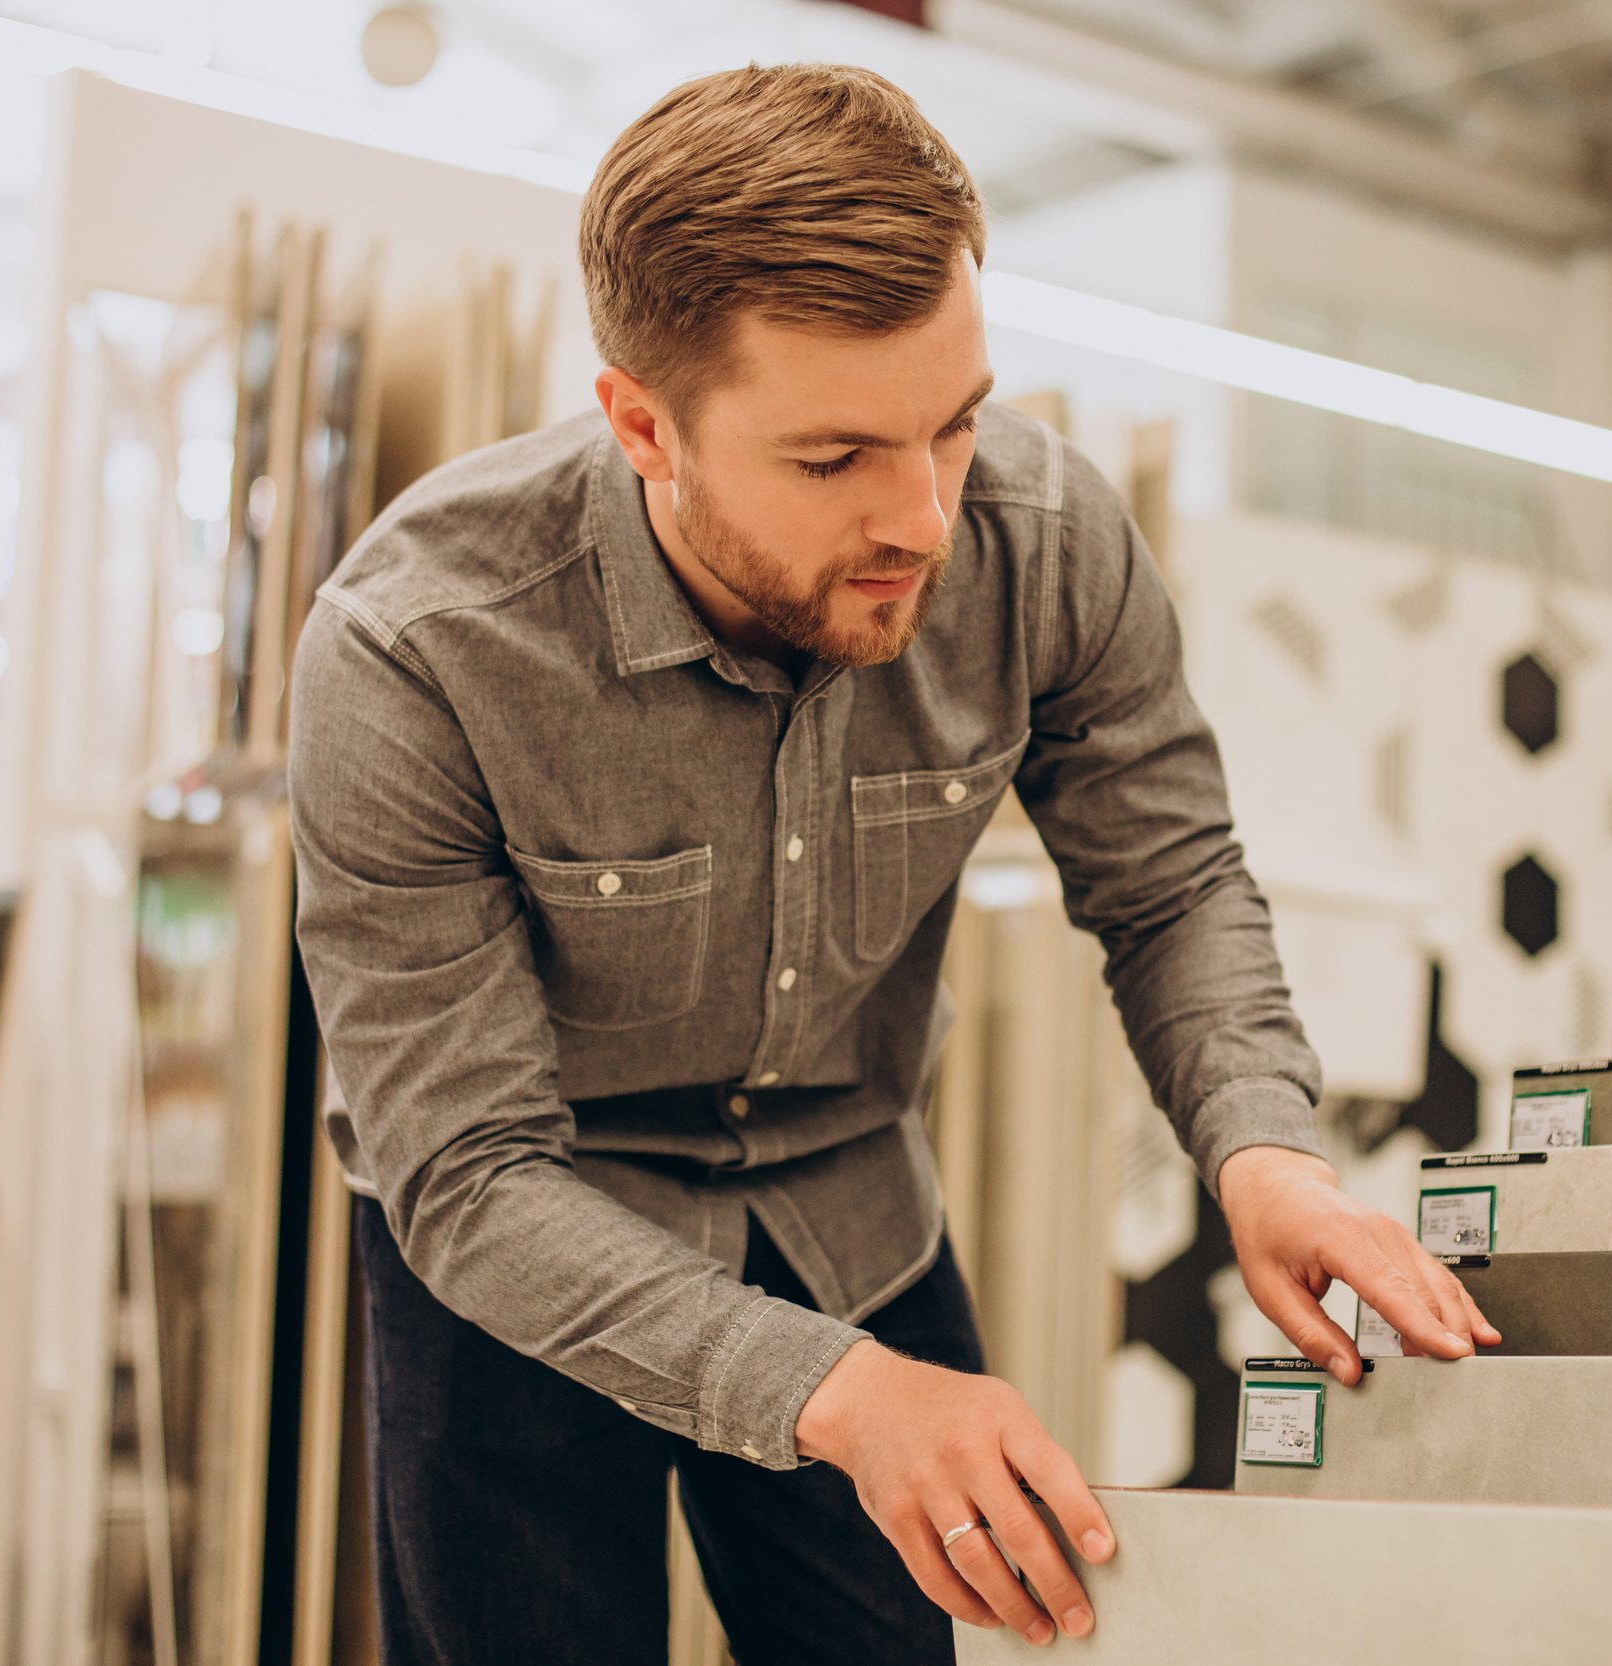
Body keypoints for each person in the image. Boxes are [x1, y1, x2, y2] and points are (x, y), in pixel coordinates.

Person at [287, 61, 1496, 1666]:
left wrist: (1265, 1149)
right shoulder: (415, 650)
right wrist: (843, 1396)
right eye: (833, 456)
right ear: (645, 425)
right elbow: (470, 1175)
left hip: (847, 1204)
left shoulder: (1045, 542)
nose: (923, 515)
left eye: (956, 421)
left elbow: (1171, 879)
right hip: (524, 1250)